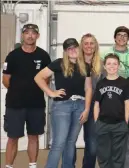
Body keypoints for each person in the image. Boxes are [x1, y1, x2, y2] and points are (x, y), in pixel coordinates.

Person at [34, 38, 92, 168]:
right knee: (59, 142)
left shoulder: (85, 66)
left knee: (71, 142)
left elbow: (88, 88)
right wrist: (51, 92)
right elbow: (38, 77)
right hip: (62, 106)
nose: (72, 50)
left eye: (74, 47)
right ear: (65, 51)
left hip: (80, 106)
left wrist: (87, 109)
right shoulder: (59, 63)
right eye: (69, 49)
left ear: (79, 48)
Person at [2, 24, 51, 168]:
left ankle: (32, 165)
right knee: (12, 138)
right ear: (22, 35)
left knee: (33, 136)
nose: (30, 36)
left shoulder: (43, 56)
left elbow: (46, 79)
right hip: (15, 104)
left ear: (38, 36)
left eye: (33, 33)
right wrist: (19, 92)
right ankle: (9, 166)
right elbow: (5, 80)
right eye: (27, 33)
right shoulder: (13, 55)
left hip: (36, 104)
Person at [93, 53, 129, 168]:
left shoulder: (124, 83)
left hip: (119, 124)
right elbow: (96, 105)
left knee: (118, 156)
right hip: (103, 124)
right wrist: (96, 122)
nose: (112, 66)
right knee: (103, 155)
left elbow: (127, 104)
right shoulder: (101, 83)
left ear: (119, 66)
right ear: (104, 66)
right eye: (109, 64)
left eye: (115, 64)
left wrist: (125, 122)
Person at [72, 33, 104, 168]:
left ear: (95, 45)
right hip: (76, 105)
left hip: (94, 106)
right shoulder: (73, 62)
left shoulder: (102, 65)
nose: (89, 46)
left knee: (92, 144)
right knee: (70, 140)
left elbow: (106, 86)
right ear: (81, 46)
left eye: (92, 43)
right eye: (86, 43)